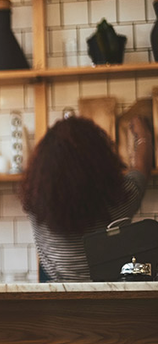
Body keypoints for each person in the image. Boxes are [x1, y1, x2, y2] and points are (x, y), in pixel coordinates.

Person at [19, 115, 153, 282]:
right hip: (107, 302)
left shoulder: (37, 207)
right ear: (100, 161)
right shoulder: (120, 201)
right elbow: (142, 169)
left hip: (56, 302)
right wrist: (144, 136)